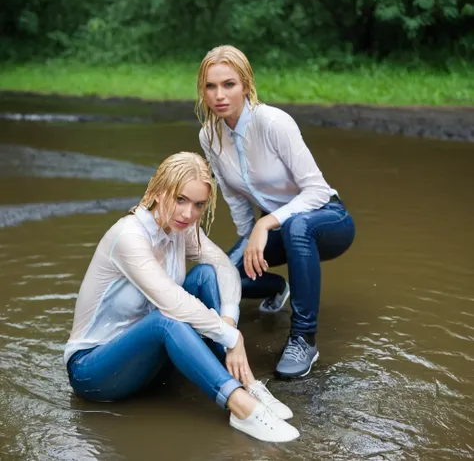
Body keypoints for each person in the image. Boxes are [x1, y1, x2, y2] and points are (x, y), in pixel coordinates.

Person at [64, 152, 300, 443]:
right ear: (158, 191)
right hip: (93, 371)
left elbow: (224, 268)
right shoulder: (129, 236)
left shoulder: (182, 230)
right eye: (180, 200)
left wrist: (229, 323)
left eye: (199, 205)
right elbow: (172, 302)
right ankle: (241, 406)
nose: (188, 214)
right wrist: (229, 337)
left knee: (204, 274)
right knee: (166, 319)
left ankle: (246, 382)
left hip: (146, 364)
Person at [196, 46, 356, 379]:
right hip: (279, 230)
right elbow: (232, 194)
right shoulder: (209, 135)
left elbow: (316, 190)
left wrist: (264, 224)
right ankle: (274, 288)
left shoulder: (273, 122)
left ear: (246, 85)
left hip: (327, 219)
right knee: (222, 276)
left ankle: (304, 338)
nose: (219, 95)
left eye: (229, 84)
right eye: (211, 87)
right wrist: (246, 238)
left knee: (298, 226)